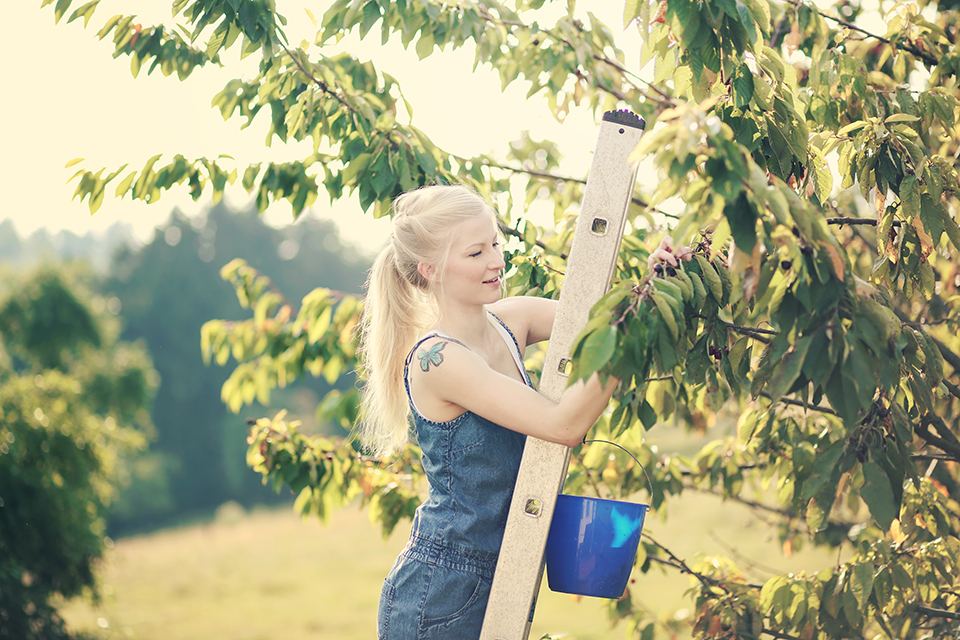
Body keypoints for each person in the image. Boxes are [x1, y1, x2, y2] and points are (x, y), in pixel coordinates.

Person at [357, 184, 619, 639]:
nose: (497, 260)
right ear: (430, 269)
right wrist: (636, 330)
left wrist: (659, 278)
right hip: (441, 590)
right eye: (476, 252)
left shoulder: (512, 319)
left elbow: (601, 318)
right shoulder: (438, 360)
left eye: (495, 243)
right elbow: (564, 424)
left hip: (506, 571)